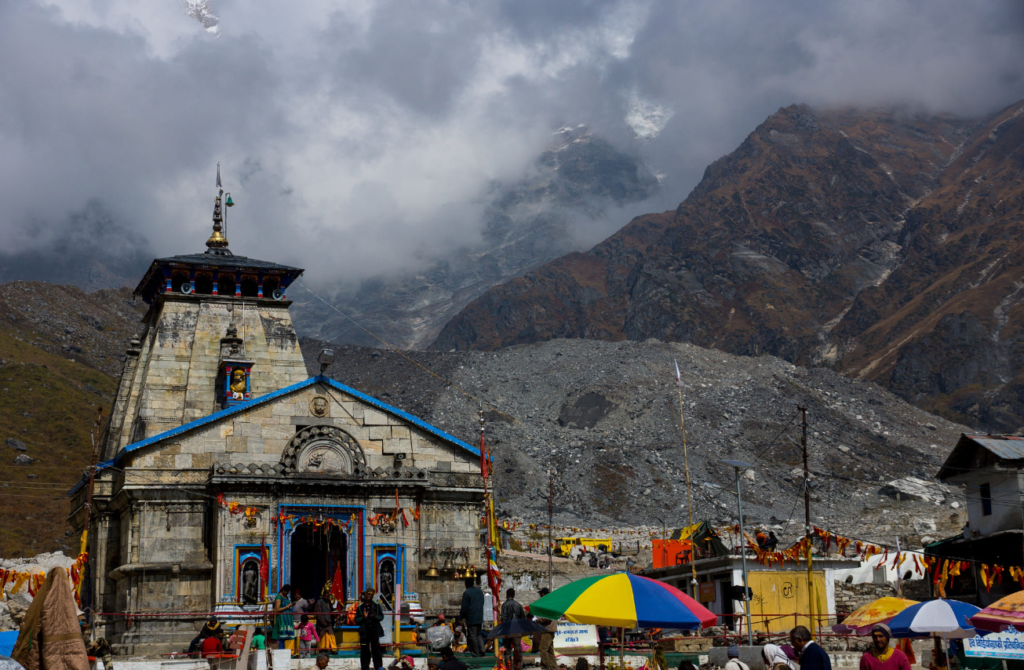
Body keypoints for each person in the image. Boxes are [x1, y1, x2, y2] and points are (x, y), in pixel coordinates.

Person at [355, 588, 384, 670]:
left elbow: (381, 617)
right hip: (364, 632)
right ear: (365, 594)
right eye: (368, 594)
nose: (369, 596)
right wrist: (364, 618)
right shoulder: (360, 607)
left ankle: (378, 667)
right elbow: (356, 620)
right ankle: (364, 667)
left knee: (376, 650)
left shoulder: (376, 605)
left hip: (374, 631)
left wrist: (375, 617)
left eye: (371, 595)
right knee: (364, 651)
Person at [532, 587, 557, 670]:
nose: (540, 595)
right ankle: (553, 667)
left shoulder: (548, 603)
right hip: (550, 629)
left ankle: (545, 667)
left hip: (548, 629)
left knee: (542, 649)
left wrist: (537, 620)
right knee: (549, 651)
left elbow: (548, 618)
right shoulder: (551, 602)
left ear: (543, 594)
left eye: (540, 594)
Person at [459, 576, 485, 657]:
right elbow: (482, 602)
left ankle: (475, 652)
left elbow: (464, 607)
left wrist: (460, 617)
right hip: (479, 616)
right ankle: (482, 649)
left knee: (473, 635)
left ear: (466, 584)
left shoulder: (467, 593)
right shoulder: (480, 591)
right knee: (478, 634)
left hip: (471, 617)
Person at [500, 588, 526, 670]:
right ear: (514, 595)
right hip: (517, 629)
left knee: (507, 648)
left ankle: (508, 666)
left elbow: (503, 618)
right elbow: (523, 618)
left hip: (507, 629)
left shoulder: (504, 605)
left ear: (506, 595)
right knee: (517, 648)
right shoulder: (518, 605)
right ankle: (518, 666)